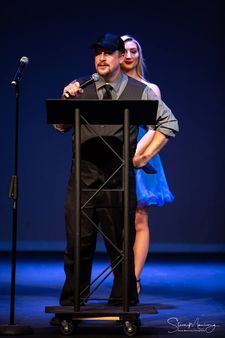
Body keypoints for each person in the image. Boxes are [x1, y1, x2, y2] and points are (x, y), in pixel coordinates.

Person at [53, 33, 179, 308]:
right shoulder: (81, 88)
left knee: (121, 247)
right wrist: (66, 99)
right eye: (97, 52)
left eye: (108, 53)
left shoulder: (139, 91)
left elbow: (169, 123)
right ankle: (72, 304)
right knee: (77, 247)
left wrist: (142, 156)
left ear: (122, 58)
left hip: (117, 181)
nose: (101, 58)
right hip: (83, 180)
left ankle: (123, 302)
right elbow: (60, 126)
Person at [120, 35, 175, 294]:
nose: (129, 56)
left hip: (141, 153)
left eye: (134, 51)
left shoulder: (150, 89)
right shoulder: (107, 86)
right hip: (113, 151)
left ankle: (135, 280)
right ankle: (120, 278)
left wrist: (136, 156)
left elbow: (156, 128)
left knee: (140, 217)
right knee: (116, 219)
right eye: (124, 51)